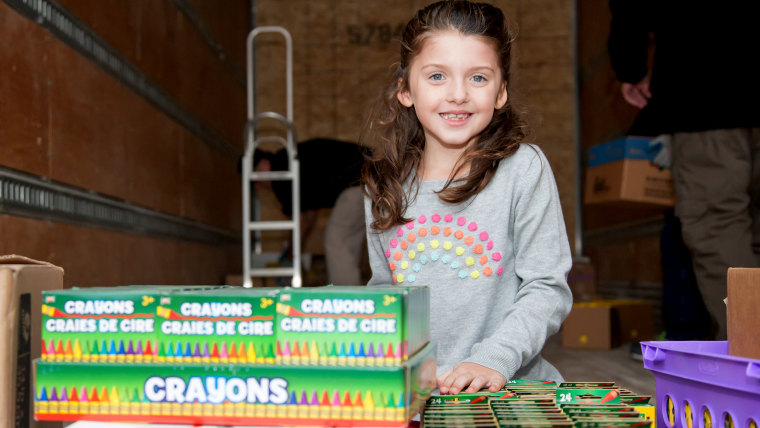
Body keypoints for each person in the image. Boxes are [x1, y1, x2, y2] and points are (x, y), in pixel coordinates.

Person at [361, 0, 572, 394]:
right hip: (421, 393)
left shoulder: (524, 168)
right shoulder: (382, 184)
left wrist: (493, 359)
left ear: (501, 92)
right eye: (437, 76)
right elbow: (385, 295)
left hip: (512, 386)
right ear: (406, 89)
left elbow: (547, 287)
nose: (458, 94)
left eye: (478, 78)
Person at [608, 1, 760, 340]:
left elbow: (629, 12)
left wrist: (630, 69)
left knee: (718, 223)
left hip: (709, 90)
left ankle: (752, 354)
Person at [254, 138, 368, 285]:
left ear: (263, 165)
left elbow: (300, 223)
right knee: (351, 241)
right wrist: (292, 254)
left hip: (361, 181)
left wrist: (290, 258)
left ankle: (346, 301)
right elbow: (308, 216)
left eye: (254, 181)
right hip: (375, 175)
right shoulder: (289, 160)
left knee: (337, 240)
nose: (257, 187)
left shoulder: (281, 173)